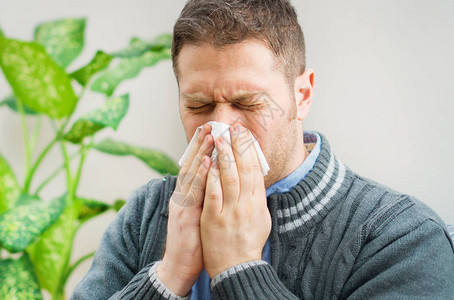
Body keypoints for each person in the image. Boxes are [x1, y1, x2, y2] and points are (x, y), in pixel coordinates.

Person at [71, 0, 454, 299]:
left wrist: (242, 271)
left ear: (301, 96)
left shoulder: (401, 238)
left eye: (248, 103)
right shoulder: (146, 215)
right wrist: (167, 277)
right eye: (198, 105)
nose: (221, 128)